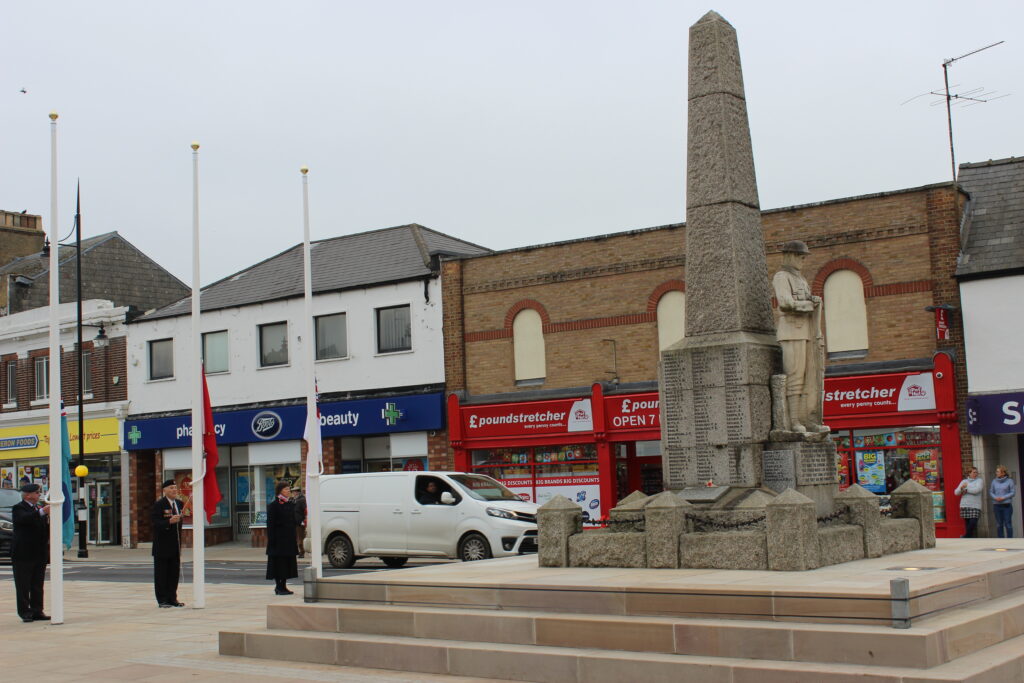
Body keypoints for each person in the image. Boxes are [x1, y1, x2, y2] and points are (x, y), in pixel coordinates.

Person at [772, 240, 827, 433]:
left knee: (808, 377)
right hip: (791, 332)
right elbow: (785, 303)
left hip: (807, 332)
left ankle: (807, 419)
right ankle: (793, 421)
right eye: (801, 257)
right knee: (794, 376)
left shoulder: (801, 279)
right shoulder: (782, 276)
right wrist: (808, 305)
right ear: (790, 256)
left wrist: (812, 301)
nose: (803, 261)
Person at [11, 483, 50, 623]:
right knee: (23, 585)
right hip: (23, 553)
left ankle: (37, 610)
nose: (39, 494)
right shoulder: (19, 508)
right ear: (28, 495)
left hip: (38, 552)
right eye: (37, 492)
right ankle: (25, 612)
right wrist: (42, 512)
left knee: (37, 584)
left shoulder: (38, 509)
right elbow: (24, 519)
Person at [151, 479, 185, 608]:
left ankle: (172, 598)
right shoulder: (159, 505)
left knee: (173, 573)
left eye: (175, 488)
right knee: (161, 574)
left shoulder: (180, 504)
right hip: (162, 546)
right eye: (171, 488)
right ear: (164, 490)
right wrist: (168, 522)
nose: (174, 490)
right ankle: (162, 600)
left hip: (175, 545)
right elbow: (155, 523)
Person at [266, 481, 299, 595]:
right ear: (280, 491)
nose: (288, 491)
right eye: (286, 489)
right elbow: (270, 524)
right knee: (279, 564)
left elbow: (294, 520)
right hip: (278, 540)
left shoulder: (290, 504)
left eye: (289, 489)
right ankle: (278, 586)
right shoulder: (274, 505)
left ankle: (283, 586)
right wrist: (272, 540)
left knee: (287, 563)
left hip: (288, 540)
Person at [955, 467, 984, 538]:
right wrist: (961, 488)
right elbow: (956, 492)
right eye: (974, 472)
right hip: (965, 504)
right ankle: (969, 538)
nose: (975, 474)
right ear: (969, 473)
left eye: (976, 472)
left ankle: (966, 536)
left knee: (973, 522)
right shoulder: (964, 481)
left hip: (975, 505)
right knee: (967, 522)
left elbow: (977, 490)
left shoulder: (979, 481)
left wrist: (966, 489)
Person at [990, 466, 1016, 538]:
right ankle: (1000, 540)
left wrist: (1003, 497)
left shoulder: (1010, 481)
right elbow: (991, 491)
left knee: (1008, 524)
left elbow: (1013, 492)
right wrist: (995, 498)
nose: (996, 473)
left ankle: (1010, 540)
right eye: (996, 471)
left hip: (1006, 505)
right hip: (997, 505)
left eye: (998, 471)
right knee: (999, 524)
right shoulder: (994, 481)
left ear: (1003, 473)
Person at [291, 486, 307, 558]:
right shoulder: (294, 500)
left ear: (297, 492)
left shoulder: (301, 500)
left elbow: (305, 511)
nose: (293, 493)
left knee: (300, 538)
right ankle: (299, 551)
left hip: (300, 522)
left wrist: (304, 520)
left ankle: (302, 552)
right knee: (297, 538)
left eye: (294, 492)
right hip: (295, 521)